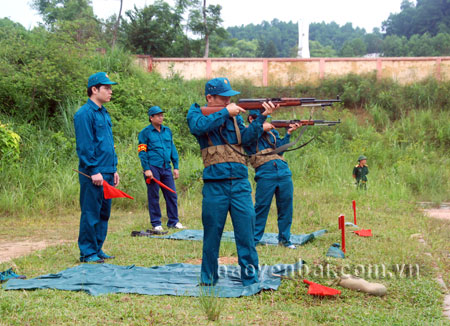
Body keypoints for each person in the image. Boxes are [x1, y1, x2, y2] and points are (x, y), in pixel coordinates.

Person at [187, 77, 278, 286]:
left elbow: (246, 140)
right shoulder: (197, 112)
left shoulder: (235, 118)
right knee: (212, 236)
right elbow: (198, 127)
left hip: (239, 183)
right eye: (224, 98)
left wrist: (261, 118)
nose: (229, 102)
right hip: (214, 184)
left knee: (246, 234)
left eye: (230, 99)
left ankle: (250, 278)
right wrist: (225, 112)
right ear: (209, 97)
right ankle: (208, 279)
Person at [74, 72, 119, 263]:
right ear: (94, 90)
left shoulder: (103, 112)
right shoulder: (84, 114)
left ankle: (98, 248)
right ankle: (87, 252)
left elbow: (106, 143)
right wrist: (94, 170)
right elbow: (85, 146)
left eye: (110, 88)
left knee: (103, 213)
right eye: (106, 88)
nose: (110, 92)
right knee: (91, 212)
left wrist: (113, 169)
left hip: (107, 171)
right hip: (94, 172)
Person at [244, 110, 301, 249]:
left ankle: (285, 239)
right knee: (261, 207)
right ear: (251, 119)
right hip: (265, 173)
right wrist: (261, 128)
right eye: (261, 119)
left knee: (286, 208)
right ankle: (254, 240)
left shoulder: (272, 133)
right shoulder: (247, 132)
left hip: (283, 171)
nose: (264, 121)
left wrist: (288, 134)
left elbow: (280, 149)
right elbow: (248, 140)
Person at [138, 106, 184, 232]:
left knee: (171, 194)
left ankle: (173, 221)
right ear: (151, 118)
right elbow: (142, 152)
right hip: (153, 167)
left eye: (162, 115)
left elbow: (172, 148)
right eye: (158, 115)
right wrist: (146, 169)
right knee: (154, 195)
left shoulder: (167, 131)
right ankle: (156, 223)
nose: (161, 117)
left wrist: (176, 167)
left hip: (166, 167)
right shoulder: (145, 133)